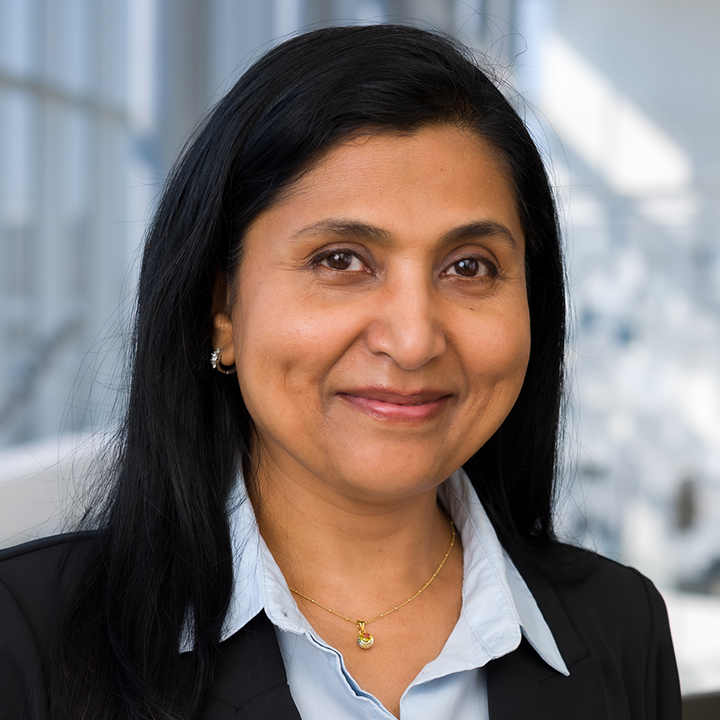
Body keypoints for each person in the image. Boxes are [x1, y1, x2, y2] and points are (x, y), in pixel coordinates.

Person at [0, 24, 680, 720]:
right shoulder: (26, 639)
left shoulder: (622, 627)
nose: (413, 341)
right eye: (340, 261)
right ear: (221, 309)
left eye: (469, 266)